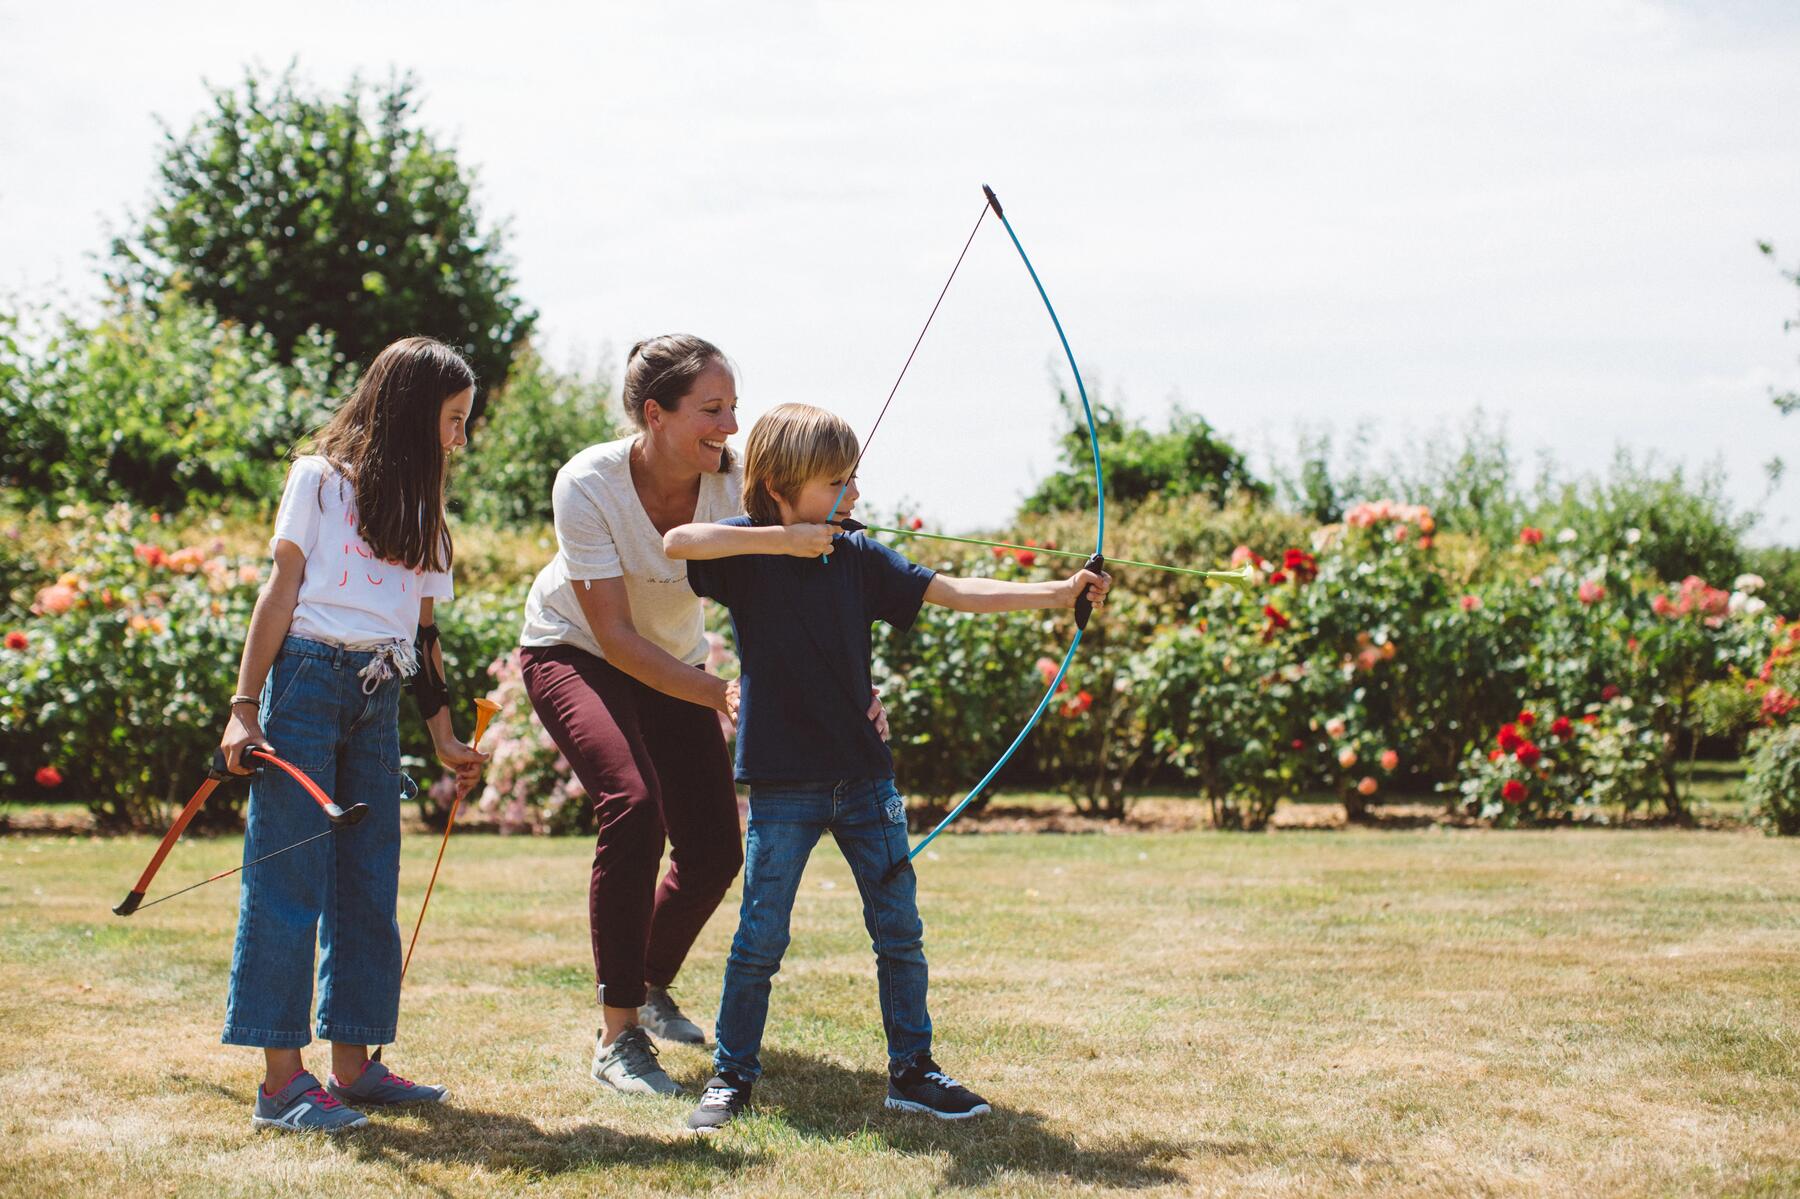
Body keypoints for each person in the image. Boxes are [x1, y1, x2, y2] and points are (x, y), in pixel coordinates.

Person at [663, 403, 1111, 1132]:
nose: (855, 496)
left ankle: (913, 1070)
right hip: (784, 781)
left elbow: (955, 590)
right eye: (838, 482)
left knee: (898, 928)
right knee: (760, 934)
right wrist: (785, 541)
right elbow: (678, 539)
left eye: (854, 480)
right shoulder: (746, 555)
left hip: (865, 777)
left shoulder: (862, 556)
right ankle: (731, 1073)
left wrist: (1058, 594)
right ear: (780, 486)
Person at [517, 336, 893, 1097]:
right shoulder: (586, 482)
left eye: (733, 406)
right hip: (575, 647)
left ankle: (649, 982)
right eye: (711, 409)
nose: (729, 424)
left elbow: (804, 583)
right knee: (633, 805)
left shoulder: (736, 483)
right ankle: (618, 1035)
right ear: (655, 415)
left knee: (717, 849)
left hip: (674, 659)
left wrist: (854, 681)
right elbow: (615, 637)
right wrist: (719, 691)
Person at [218, 336, 489, 1133]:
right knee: (289, 879)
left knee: (370, 881)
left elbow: (426, 636)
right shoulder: (319, 480)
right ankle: (281, 1084)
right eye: (451, 420)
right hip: (303, 680)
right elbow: (280, 591)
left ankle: (355, 1065)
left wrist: (441, 732)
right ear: (410, 413)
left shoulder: (428, 515)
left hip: (380, 690)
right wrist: (244, 704)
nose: (459, 438)